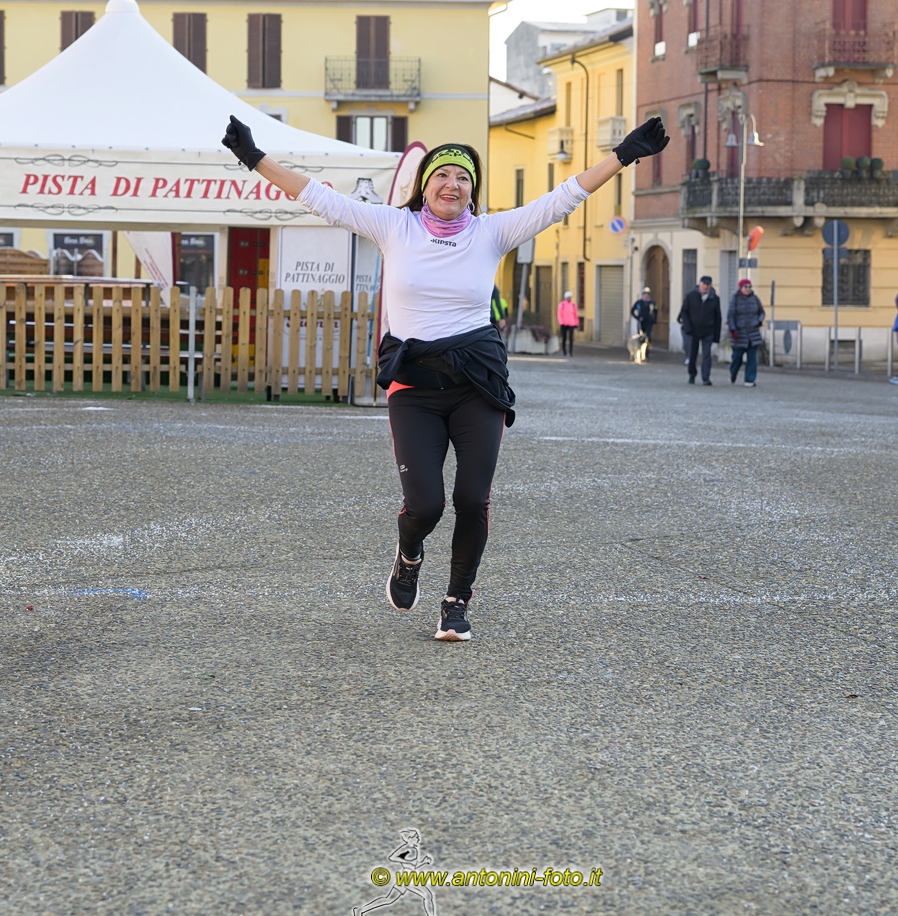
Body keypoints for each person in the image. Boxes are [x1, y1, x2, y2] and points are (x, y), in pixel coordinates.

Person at [223, 113, 668, 641]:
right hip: (414, 389)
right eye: (442, 175)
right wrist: (255, 158)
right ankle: (408, 553)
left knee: (472, 500)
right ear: (424, 185)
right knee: (425, 505)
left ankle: (456, 602)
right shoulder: (395, 226)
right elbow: (319, 198)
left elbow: (565, 196)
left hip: (476, 385)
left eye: (462, 177)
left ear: (472, 190)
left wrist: (623, 155)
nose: (452, 184)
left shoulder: (492, 232)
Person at [677, 275, 721, 385]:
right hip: (693, 330)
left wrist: (716, 335)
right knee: (692, 354)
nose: (705, 286)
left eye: (708, 285)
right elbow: (684, 312)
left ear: (710, 286)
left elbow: (718, 317)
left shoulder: (714, 299)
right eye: (704, 284)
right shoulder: (691, 296)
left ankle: (706, 378)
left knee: (707, 355)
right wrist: (687, 327)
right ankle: (692, 375)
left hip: (708, 330)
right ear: (699, 284)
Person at [727, 278, 765, 387]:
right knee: (737, 357)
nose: (748, 289)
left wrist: (759, 321)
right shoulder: (735, 299)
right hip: (739, 333)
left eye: (749, 287)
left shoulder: (755, 299)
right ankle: (733, 372)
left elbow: (761, 312)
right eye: (746, 287)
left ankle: (749, 380)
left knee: (752, 358)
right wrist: (733, 329)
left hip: (753, 333)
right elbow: (730, 315)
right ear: (741, 288)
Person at [630, 288, 658, 360]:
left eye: (647, 294)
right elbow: (632, 311)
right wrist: (637, 318)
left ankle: (646, 354)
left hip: (648, 323)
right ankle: (638, 354)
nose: (646, 296)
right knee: (640, 338)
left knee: (647, 338)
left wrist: (654, 320)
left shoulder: (652, 303)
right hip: (641, 323)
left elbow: (655, 311)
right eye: (645, 294)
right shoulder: (639, 302)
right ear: (642, 295)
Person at [557, 290, 579, 356]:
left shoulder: (573, 305)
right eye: (568, 297)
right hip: (564, 323)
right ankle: (564, 351)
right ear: (565, 297)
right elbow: (559, 314)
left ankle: (571, 351)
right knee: (564, 338)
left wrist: (576, 323)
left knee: (571, 338)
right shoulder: (562, 304)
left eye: (570, 297)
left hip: (571, 323)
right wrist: (561, 322)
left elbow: (575, 314)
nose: (569, 298)